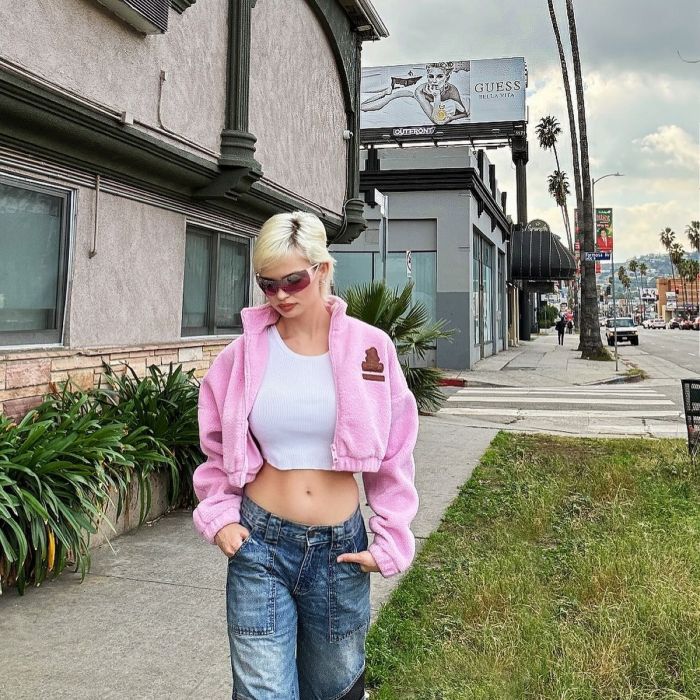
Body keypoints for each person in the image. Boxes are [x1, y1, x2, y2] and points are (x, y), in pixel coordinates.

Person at [192, 211, 420, 700]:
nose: (280, 295)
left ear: (322, 269)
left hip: (341, 549)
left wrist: (391, 537)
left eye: (293, 280)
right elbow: (216, 444)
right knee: (263, 693)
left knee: (334, 689)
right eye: (267, 284)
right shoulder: (241, 355)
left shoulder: (371, 349)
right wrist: (220, 515)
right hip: (260, 543)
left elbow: (395, 452)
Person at [361, 61, 469, 124]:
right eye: (431, 76)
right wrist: (437, 98)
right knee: (373, 103)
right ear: (428, 77)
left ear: (447, 78)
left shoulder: (452, 90)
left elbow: (464, 113)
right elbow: (435, 120)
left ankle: (386, 92)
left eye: (440, 76)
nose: (434, 81)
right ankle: (384, 92)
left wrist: (451, 118)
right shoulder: (419, 91)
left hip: (423, 89)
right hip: (411, 91)